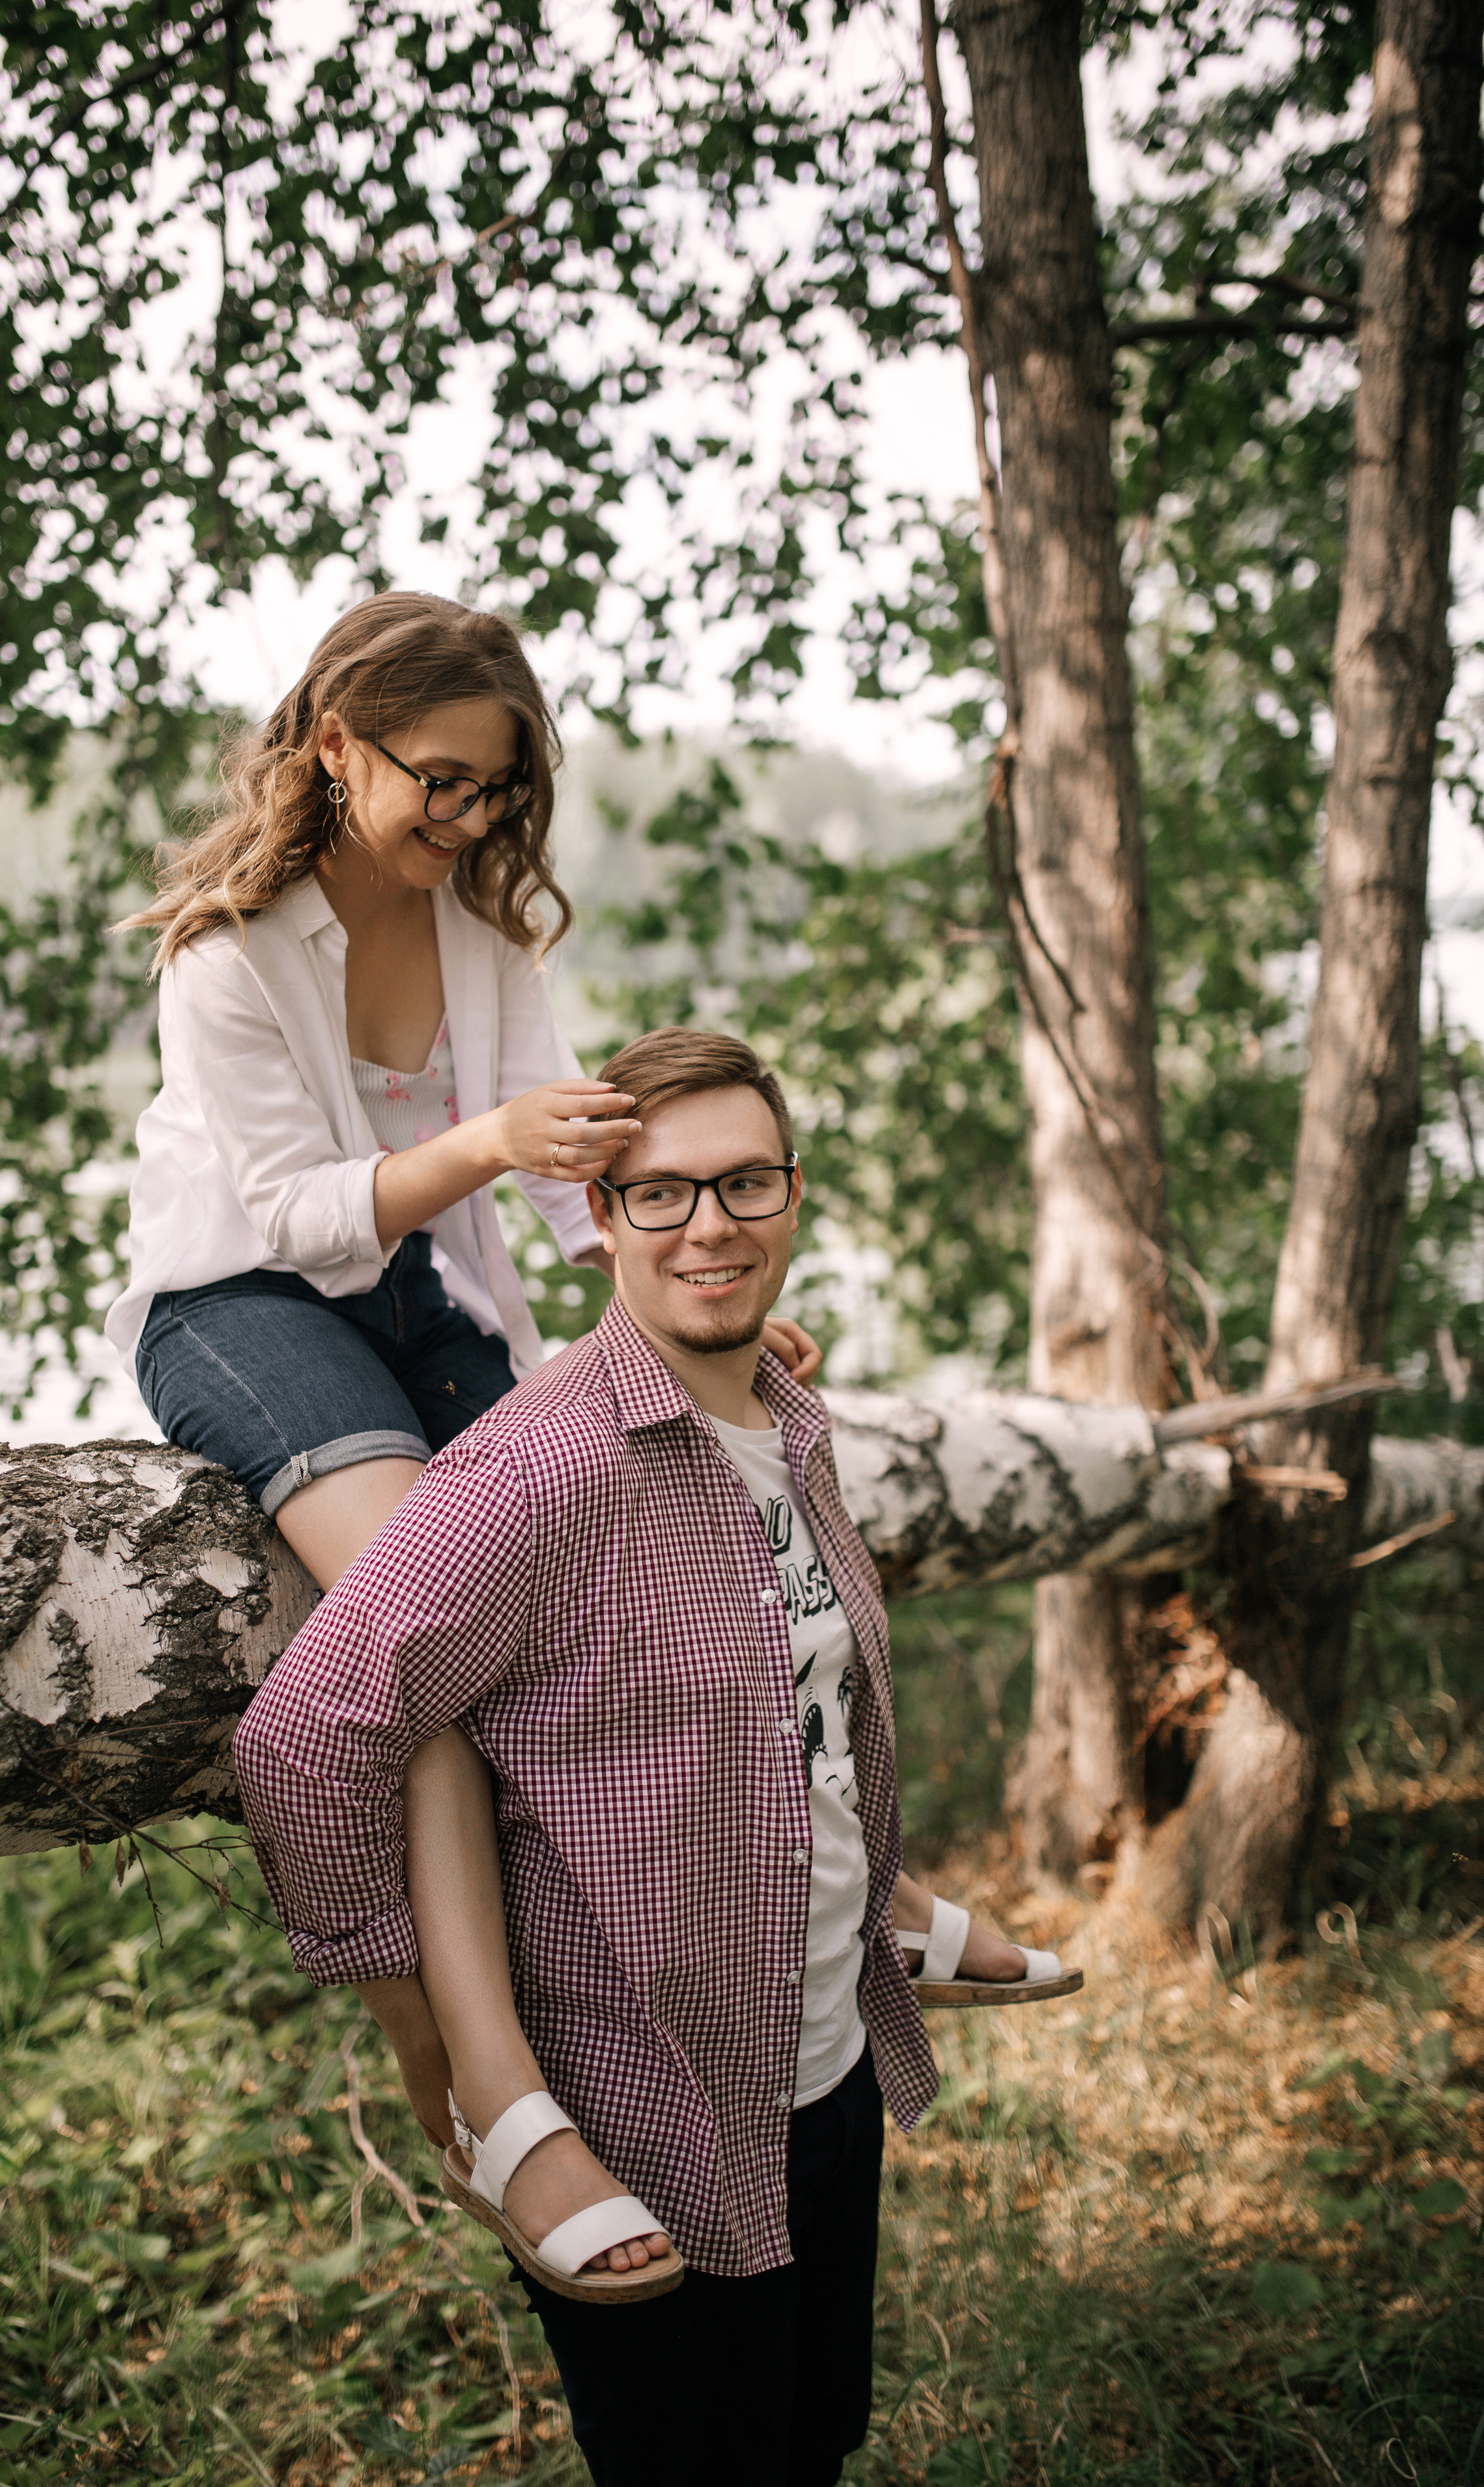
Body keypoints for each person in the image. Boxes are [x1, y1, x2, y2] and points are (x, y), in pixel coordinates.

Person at [107, 593, 824, 2280]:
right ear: (334, 748)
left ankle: (846, 1907)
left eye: (497, 788)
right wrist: (492, 1139)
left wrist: (691, 1288)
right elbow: (298, 1214)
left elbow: (576, 1184)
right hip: (242, 1304)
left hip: (423, 1299)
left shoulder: (486, 940)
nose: (471, 816)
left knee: (645, 1553)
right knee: (437, 1642)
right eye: (440, 779)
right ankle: (477, 2081)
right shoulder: (225, 956)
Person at [233, 1028, 1061, 2486]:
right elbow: (306, 1740)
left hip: (822, 2051)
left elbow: (781, 1716)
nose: (710, 1227)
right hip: (648, 2103)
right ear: (600, 1220)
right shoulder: (537, 1470)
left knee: (810, 2442)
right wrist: (427, 2040)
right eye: (661, 1193)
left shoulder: (786, 1418)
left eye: (744, 1184)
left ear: (794, 1194)